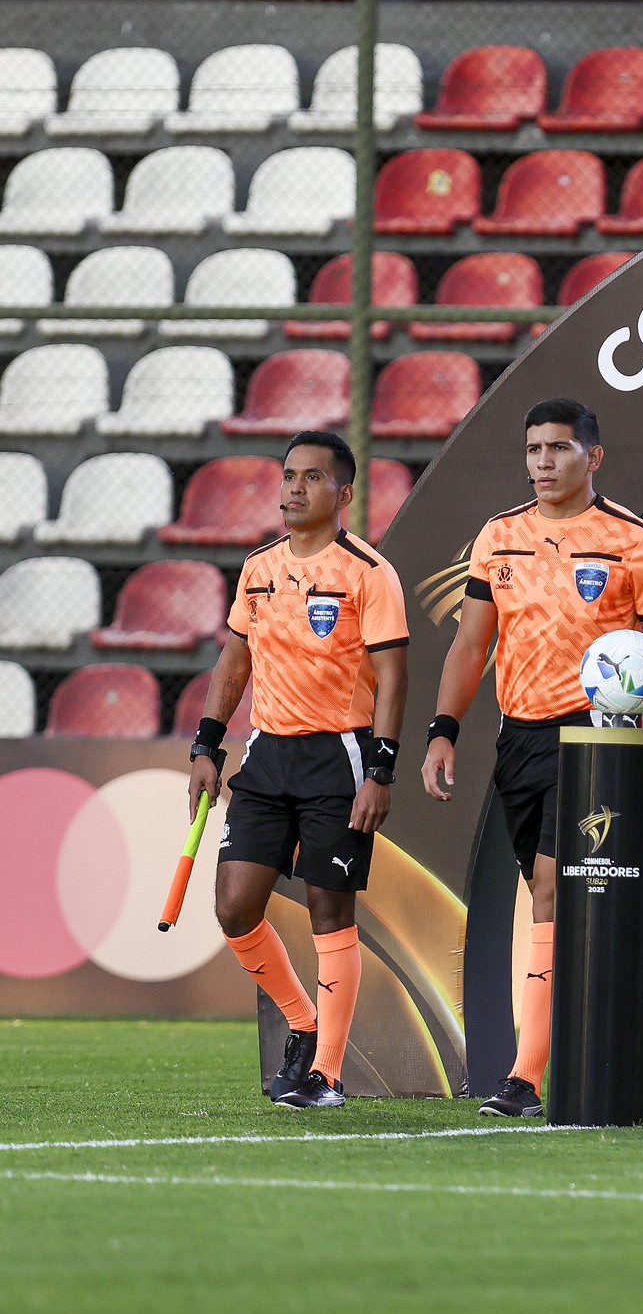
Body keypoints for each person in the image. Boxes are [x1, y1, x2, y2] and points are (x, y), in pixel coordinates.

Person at [422, 399, 643, 1120]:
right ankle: (569, 1047)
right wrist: (443, 729)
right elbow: (471, 644)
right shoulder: (499, 536)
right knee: (549, 894)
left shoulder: (634, 541)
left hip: (599, 735)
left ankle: (525, 1072)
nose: (543, 461)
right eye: (534, 448)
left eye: (559, 448)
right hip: (521, 737)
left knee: (550, 886)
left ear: (593, 457)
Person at [188, 431, 408, 1111]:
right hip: (267, 754)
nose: (294, 488)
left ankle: (327, 1073)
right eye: (288, 475)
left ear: (344, 494)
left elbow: (393, 676)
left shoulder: (368, 572)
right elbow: (234, 662)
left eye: (312, 477)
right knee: (234, 907)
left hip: (339, 754)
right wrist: (206, 744)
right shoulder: (257, 567)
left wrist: (380, 770)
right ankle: (302, 1021)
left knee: (328, 908)